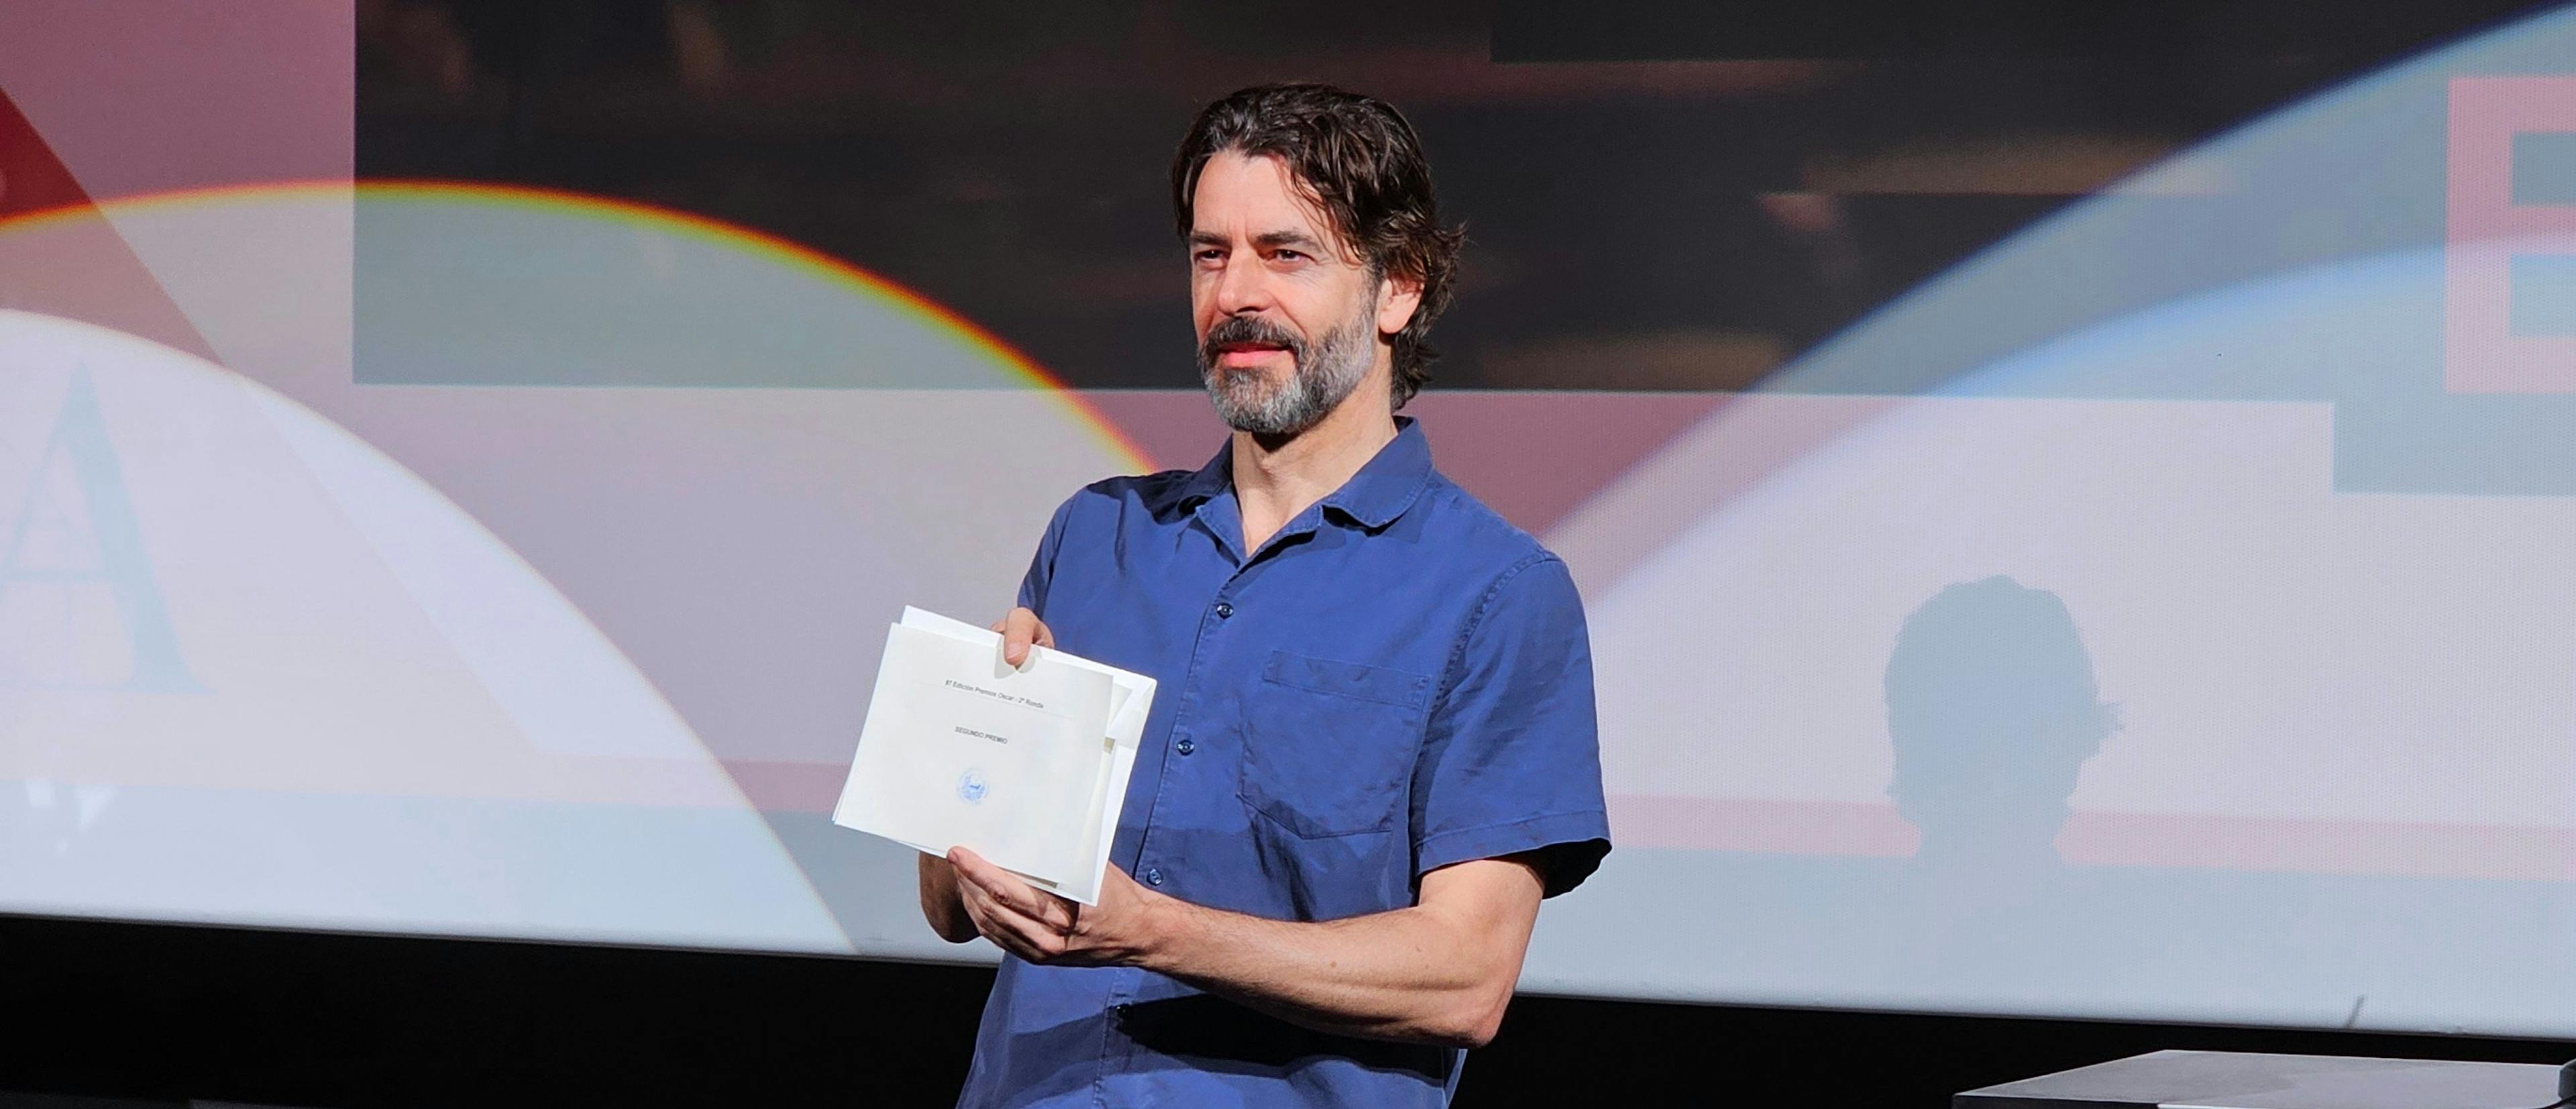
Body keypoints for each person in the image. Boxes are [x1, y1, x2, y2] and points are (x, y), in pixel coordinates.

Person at [914, 83, 1611, 1107]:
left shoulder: (1497, 593)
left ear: (1399, 289)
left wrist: (1154, 931)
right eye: (1210, 254)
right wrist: (976, 756)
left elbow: (1467, 976)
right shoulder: (1098, 533)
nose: (1236, 293)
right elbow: (945, 900)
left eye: (1285, 254)